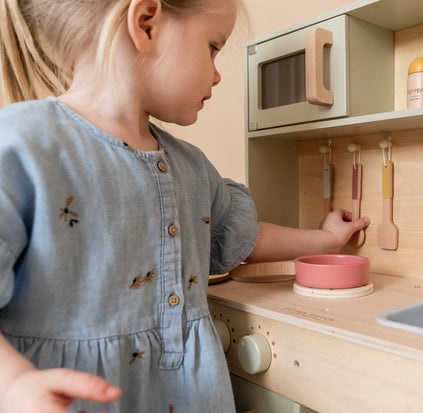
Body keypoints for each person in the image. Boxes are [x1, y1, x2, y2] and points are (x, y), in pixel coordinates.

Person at [0, 0, 370, 411]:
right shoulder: (21, 145)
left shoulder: (192, 166)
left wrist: (326, 239)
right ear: (146, 24)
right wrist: (14, 385)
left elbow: (243, 236)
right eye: (213, 47)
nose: (217, 73)